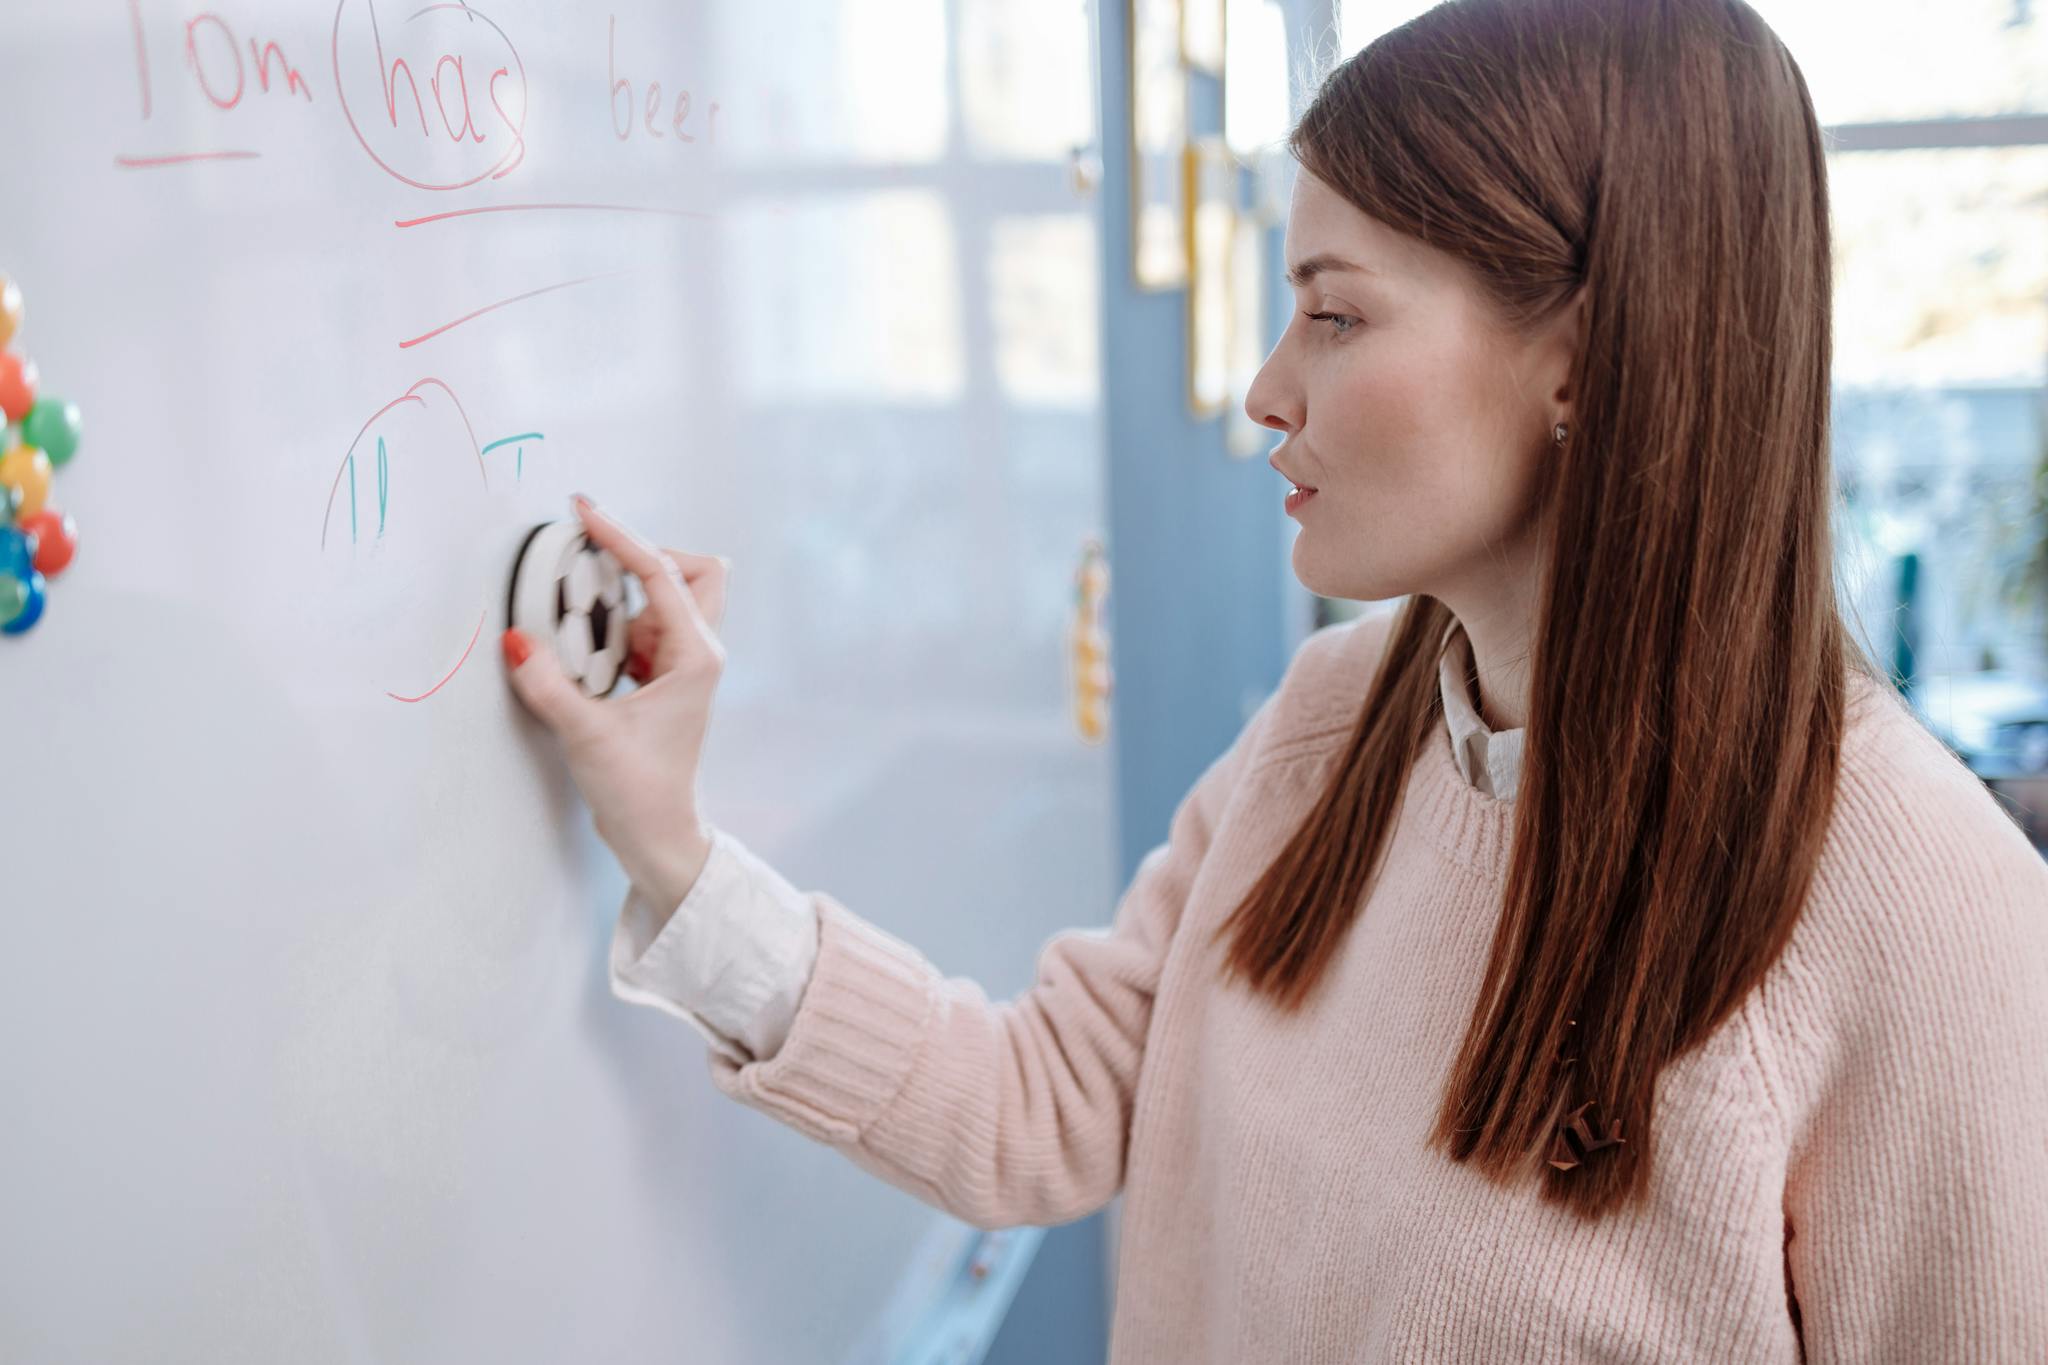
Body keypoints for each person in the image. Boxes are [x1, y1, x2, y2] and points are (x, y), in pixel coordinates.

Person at [502, 0, 2048, 1358]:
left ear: (1581, 355)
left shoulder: (1926, 906)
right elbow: (1036, 1098)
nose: (1264, 386)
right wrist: (674, 853)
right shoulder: (1329, 726)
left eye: (1334, 310)